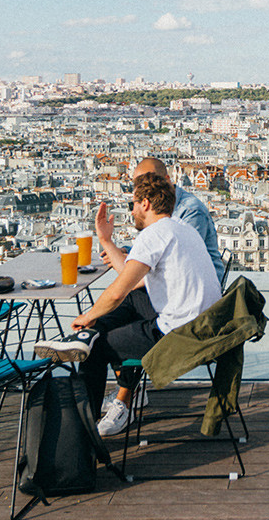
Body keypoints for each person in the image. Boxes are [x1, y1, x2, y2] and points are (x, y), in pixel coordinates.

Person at [37, 171, 222, 437]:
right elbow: (132, 283)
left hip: (180, 335)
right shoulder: (182, 230)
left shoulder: (153, 235)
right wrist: (105, 240)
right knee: (134, 303)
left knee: (95, 348)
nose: (132, 211)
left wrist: (88, 316)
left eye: (132, 204)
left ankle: (82, 436)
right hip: (205, 325)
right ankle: (83, 337)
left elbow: (117, 292)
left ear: (146, 203)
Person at [102, 157, 227, 290]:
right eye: (138, 185)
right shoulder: (154, 207)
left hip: (197, 289)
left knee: (124, 295)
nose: (143, 190)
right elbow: (156, 248)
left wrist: (132, 260)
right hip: (178, 285)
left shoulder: (191, 211)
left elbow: (177, 260)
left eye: (149, 183)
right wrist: (127, 251)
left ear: (166, 180)